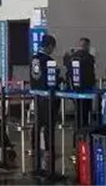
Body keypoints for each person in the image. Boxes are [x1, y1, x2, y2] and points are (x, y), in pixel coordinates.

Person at [30, 34, 59, 173]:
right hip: (47, 97)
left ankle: (34, 148)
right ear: (50, 46)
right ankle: (48, 149)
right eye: (53, 47)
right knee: (48, 124)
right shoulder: (48, 60)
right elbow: (52, 80)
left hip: (37, 95)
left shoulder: (34, 59)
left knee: (37, 123)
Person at [65, 38, 96, 128]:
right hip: (86, 89)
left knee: (78, 110)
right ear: (87, 46)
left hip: (74, 88)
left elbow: (69, 73)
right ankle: (85, 129)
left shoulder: (72, 57)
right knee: (86, 111)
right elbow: (90, 74)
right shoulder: (89, 57)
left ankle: (77, 129)